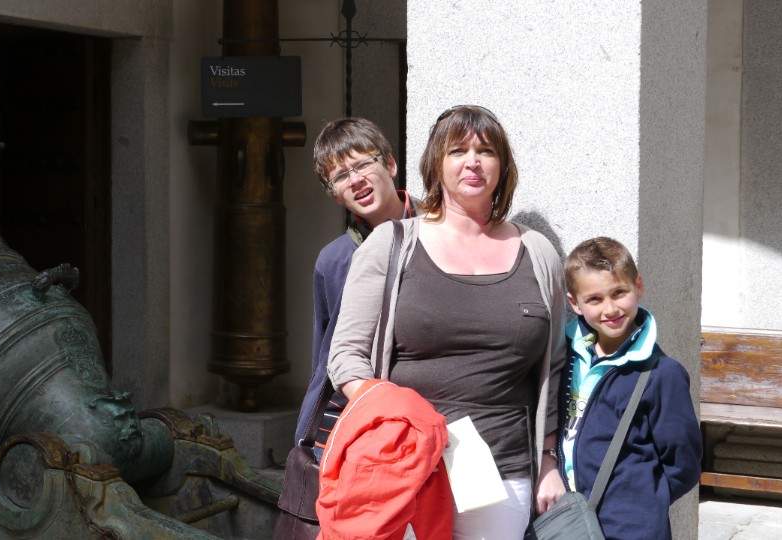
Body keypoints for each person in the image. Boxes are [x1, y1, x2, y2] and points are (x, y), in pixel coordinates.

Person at [327, 105, 566, 539]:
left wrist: (549, 460)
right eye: (458, 150)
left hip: (502, 473)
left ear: (503, 166)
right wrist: (405, 415)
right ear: (436, 163)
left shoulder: (539, 253)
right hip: (404, 465)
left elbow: (554, 366)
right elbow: (346, 357)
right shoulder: (390, 244)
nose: (472, 161)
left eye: (486, 151)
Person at [558, 237, 702, 540]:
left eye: (618, 293)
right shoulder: (564, 357)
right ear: (575, 304)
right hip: (569, 521)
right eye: (594, 299)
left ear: (638, 286)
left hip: (632, 529)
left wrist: (643, 501)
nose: (610, 308)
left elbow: (683, 464)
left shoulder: (662, 374)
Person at [294, 117, 418, 455]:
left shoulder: (438, 231)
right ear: (334, 194)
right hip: (362, 413)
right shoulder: (333, 261)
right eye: (340, 176)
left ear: (390, 164)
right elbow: (326, 355)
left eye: (363, 164)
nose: (356, 180)